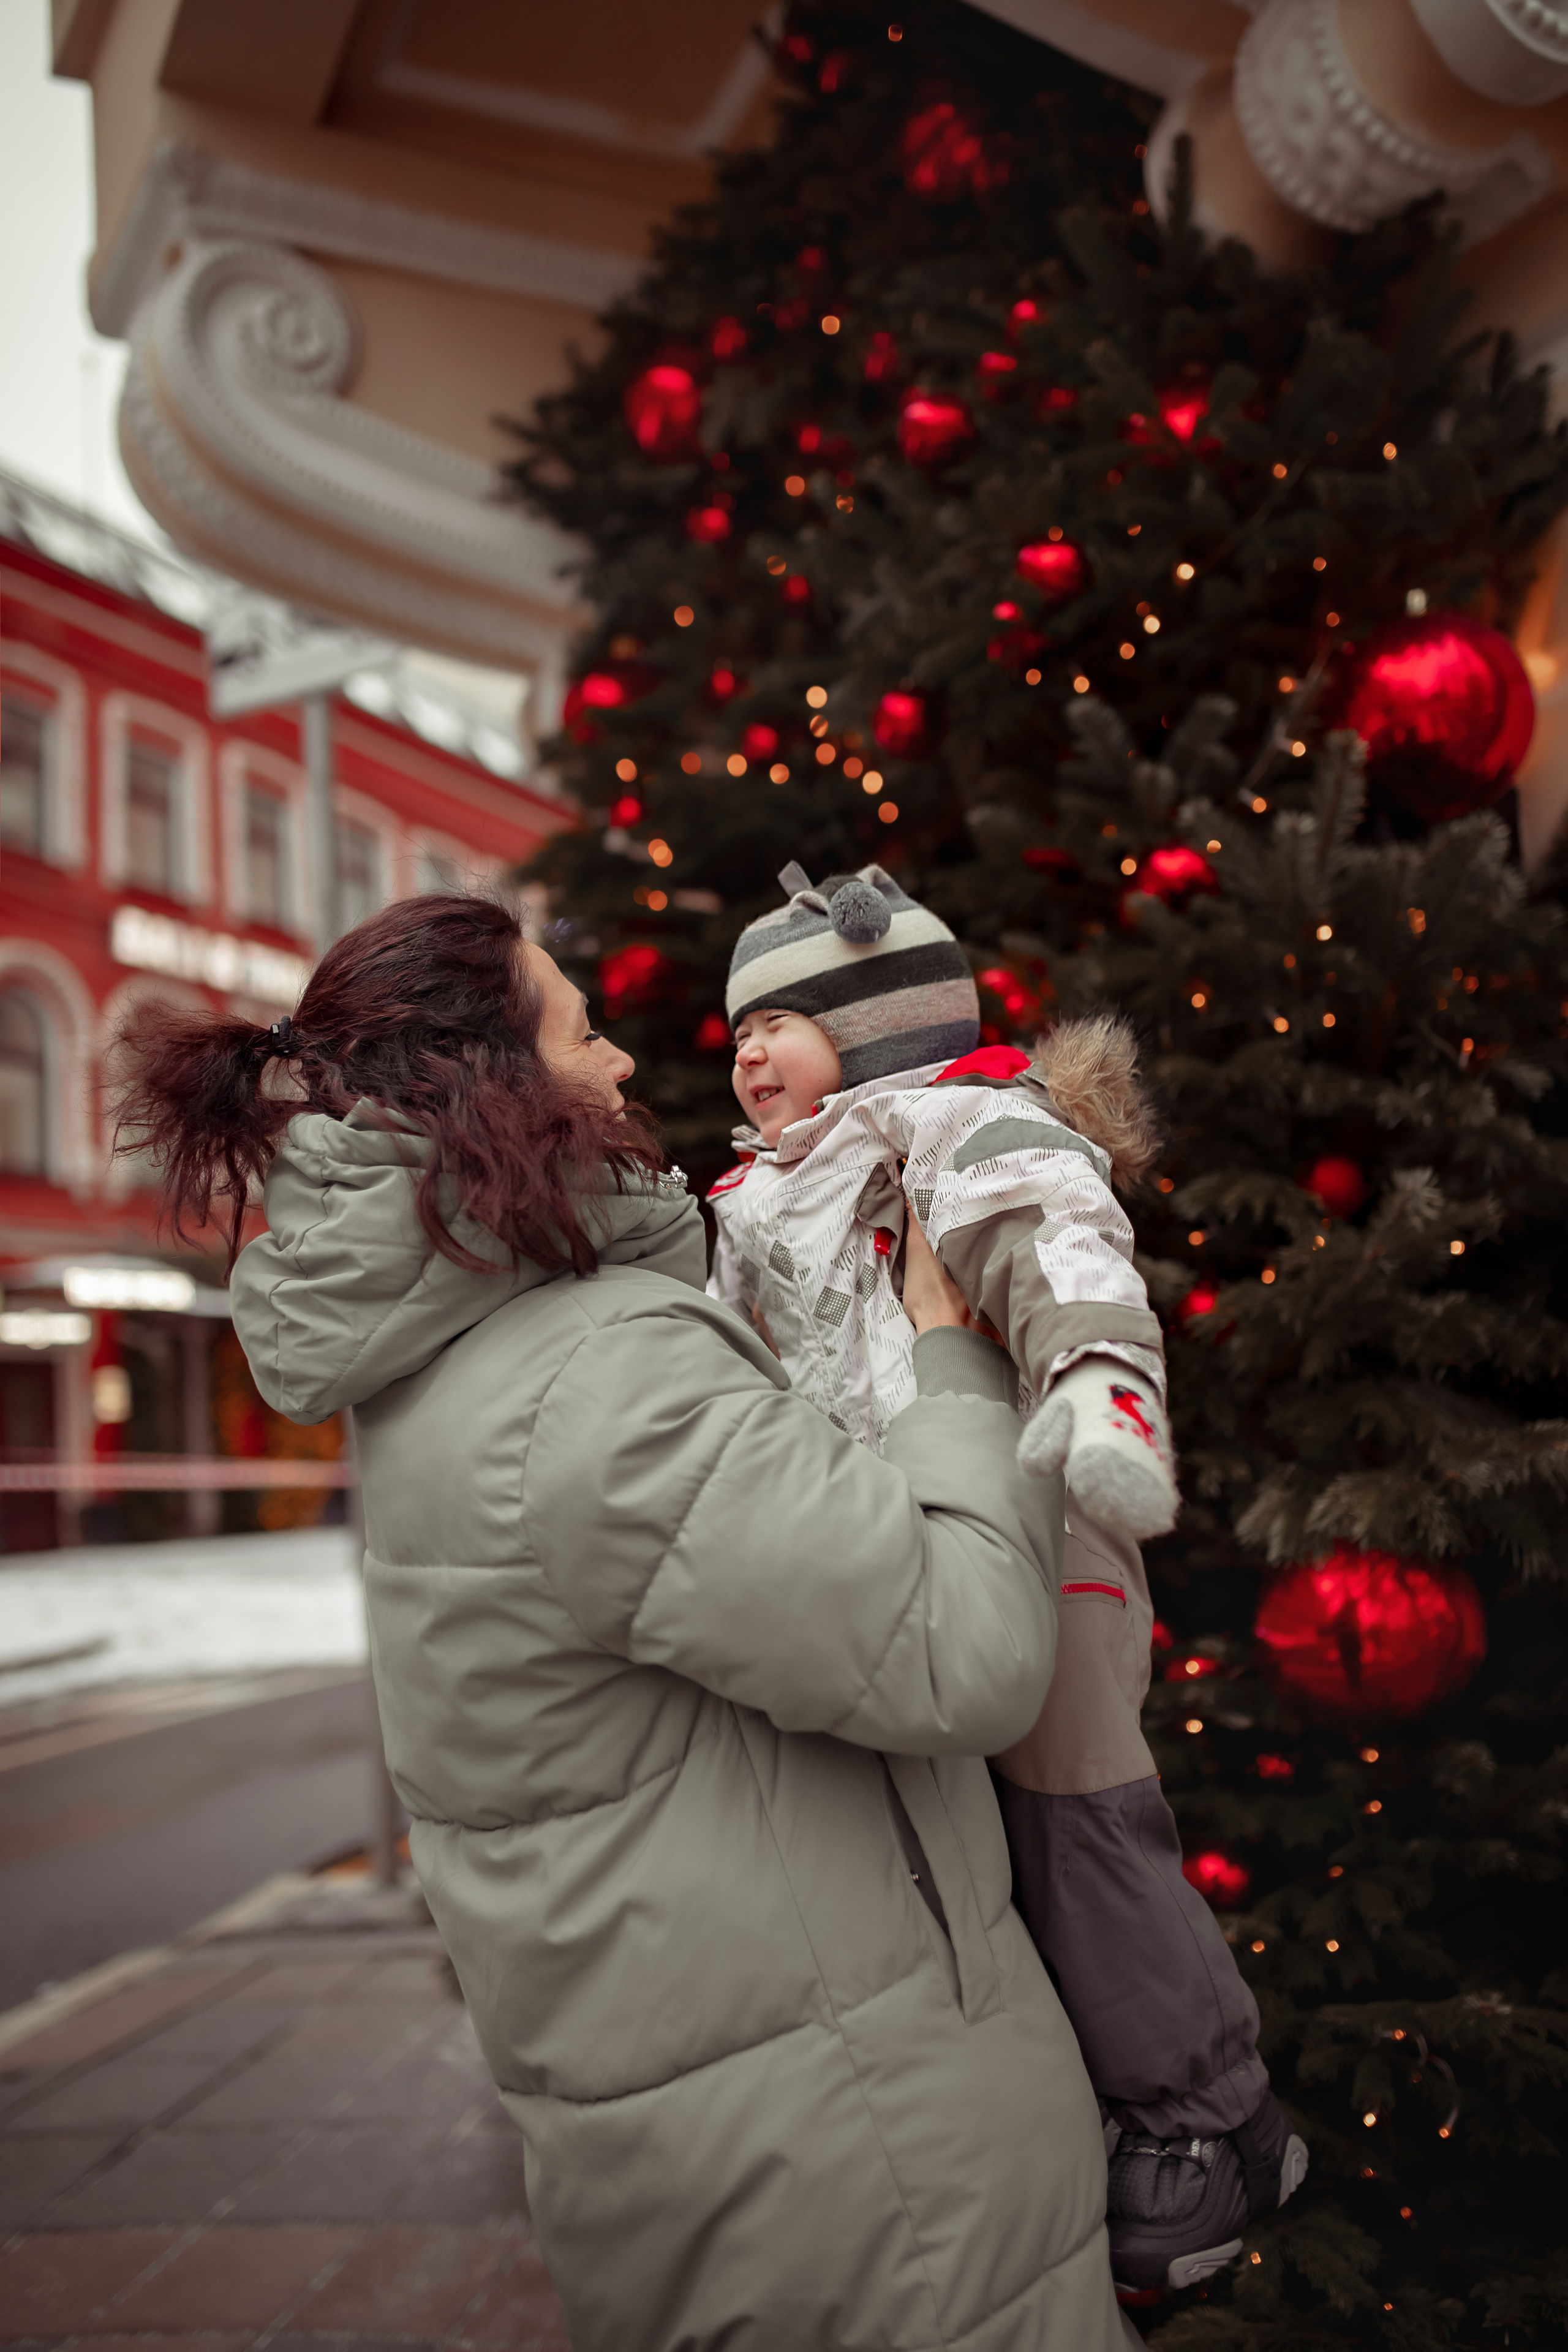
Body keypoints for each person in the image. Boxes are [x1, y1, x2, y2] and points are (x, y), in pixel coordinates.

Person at [115, 892, 1140, 2352]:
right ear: (495, 1091)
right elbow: (960, 1648)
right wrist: (949, 1357)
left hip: (719, 2151)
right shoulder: (596, 1380)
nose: (620, 1070)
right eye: (581, 1034)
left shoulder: (455, 1354)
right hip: (867, 2185)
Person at [707, 861, 1308, 2297]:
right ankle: (1160, 2113)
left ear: (877, 1015)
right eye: (731, 1036)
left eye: (775, 1023)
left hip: (1043, 1509)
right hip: (905, 1528)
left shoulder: (960, 1122)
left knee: (1077, 1815)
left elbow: (1058, 1246)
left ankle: (1202, 2109)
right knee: (985, 1848)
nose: (739, 1056)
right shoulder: (753, 1194)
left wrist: (1098, 1387)